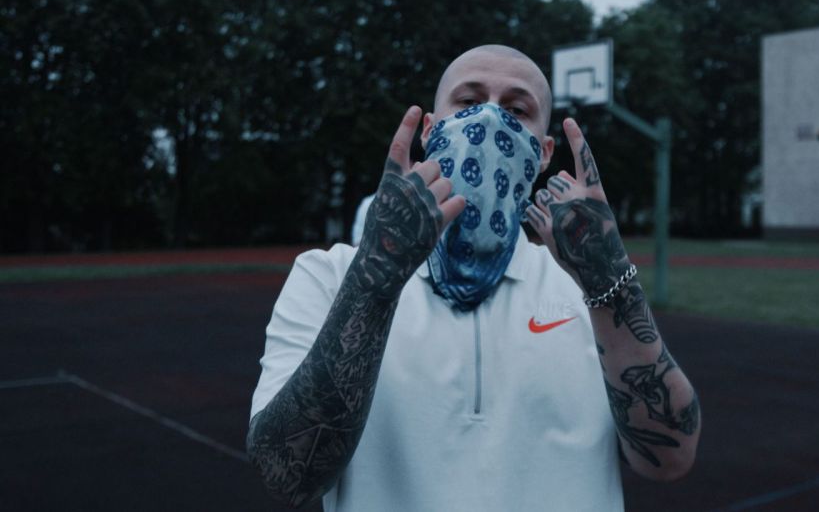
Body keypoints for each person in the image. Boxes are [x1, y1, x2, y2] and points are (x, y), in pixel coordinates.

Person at [246, 45, 700, 511]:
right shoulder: (328, 276)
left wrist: (611, 283)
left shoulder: (587, 287)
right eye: (468, 101)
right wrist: (376, 277)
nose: (489, 118)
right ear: (429, 130)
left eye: (517, 109)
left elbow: (670, 458)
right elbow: (287, 477)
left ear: (545, 152)